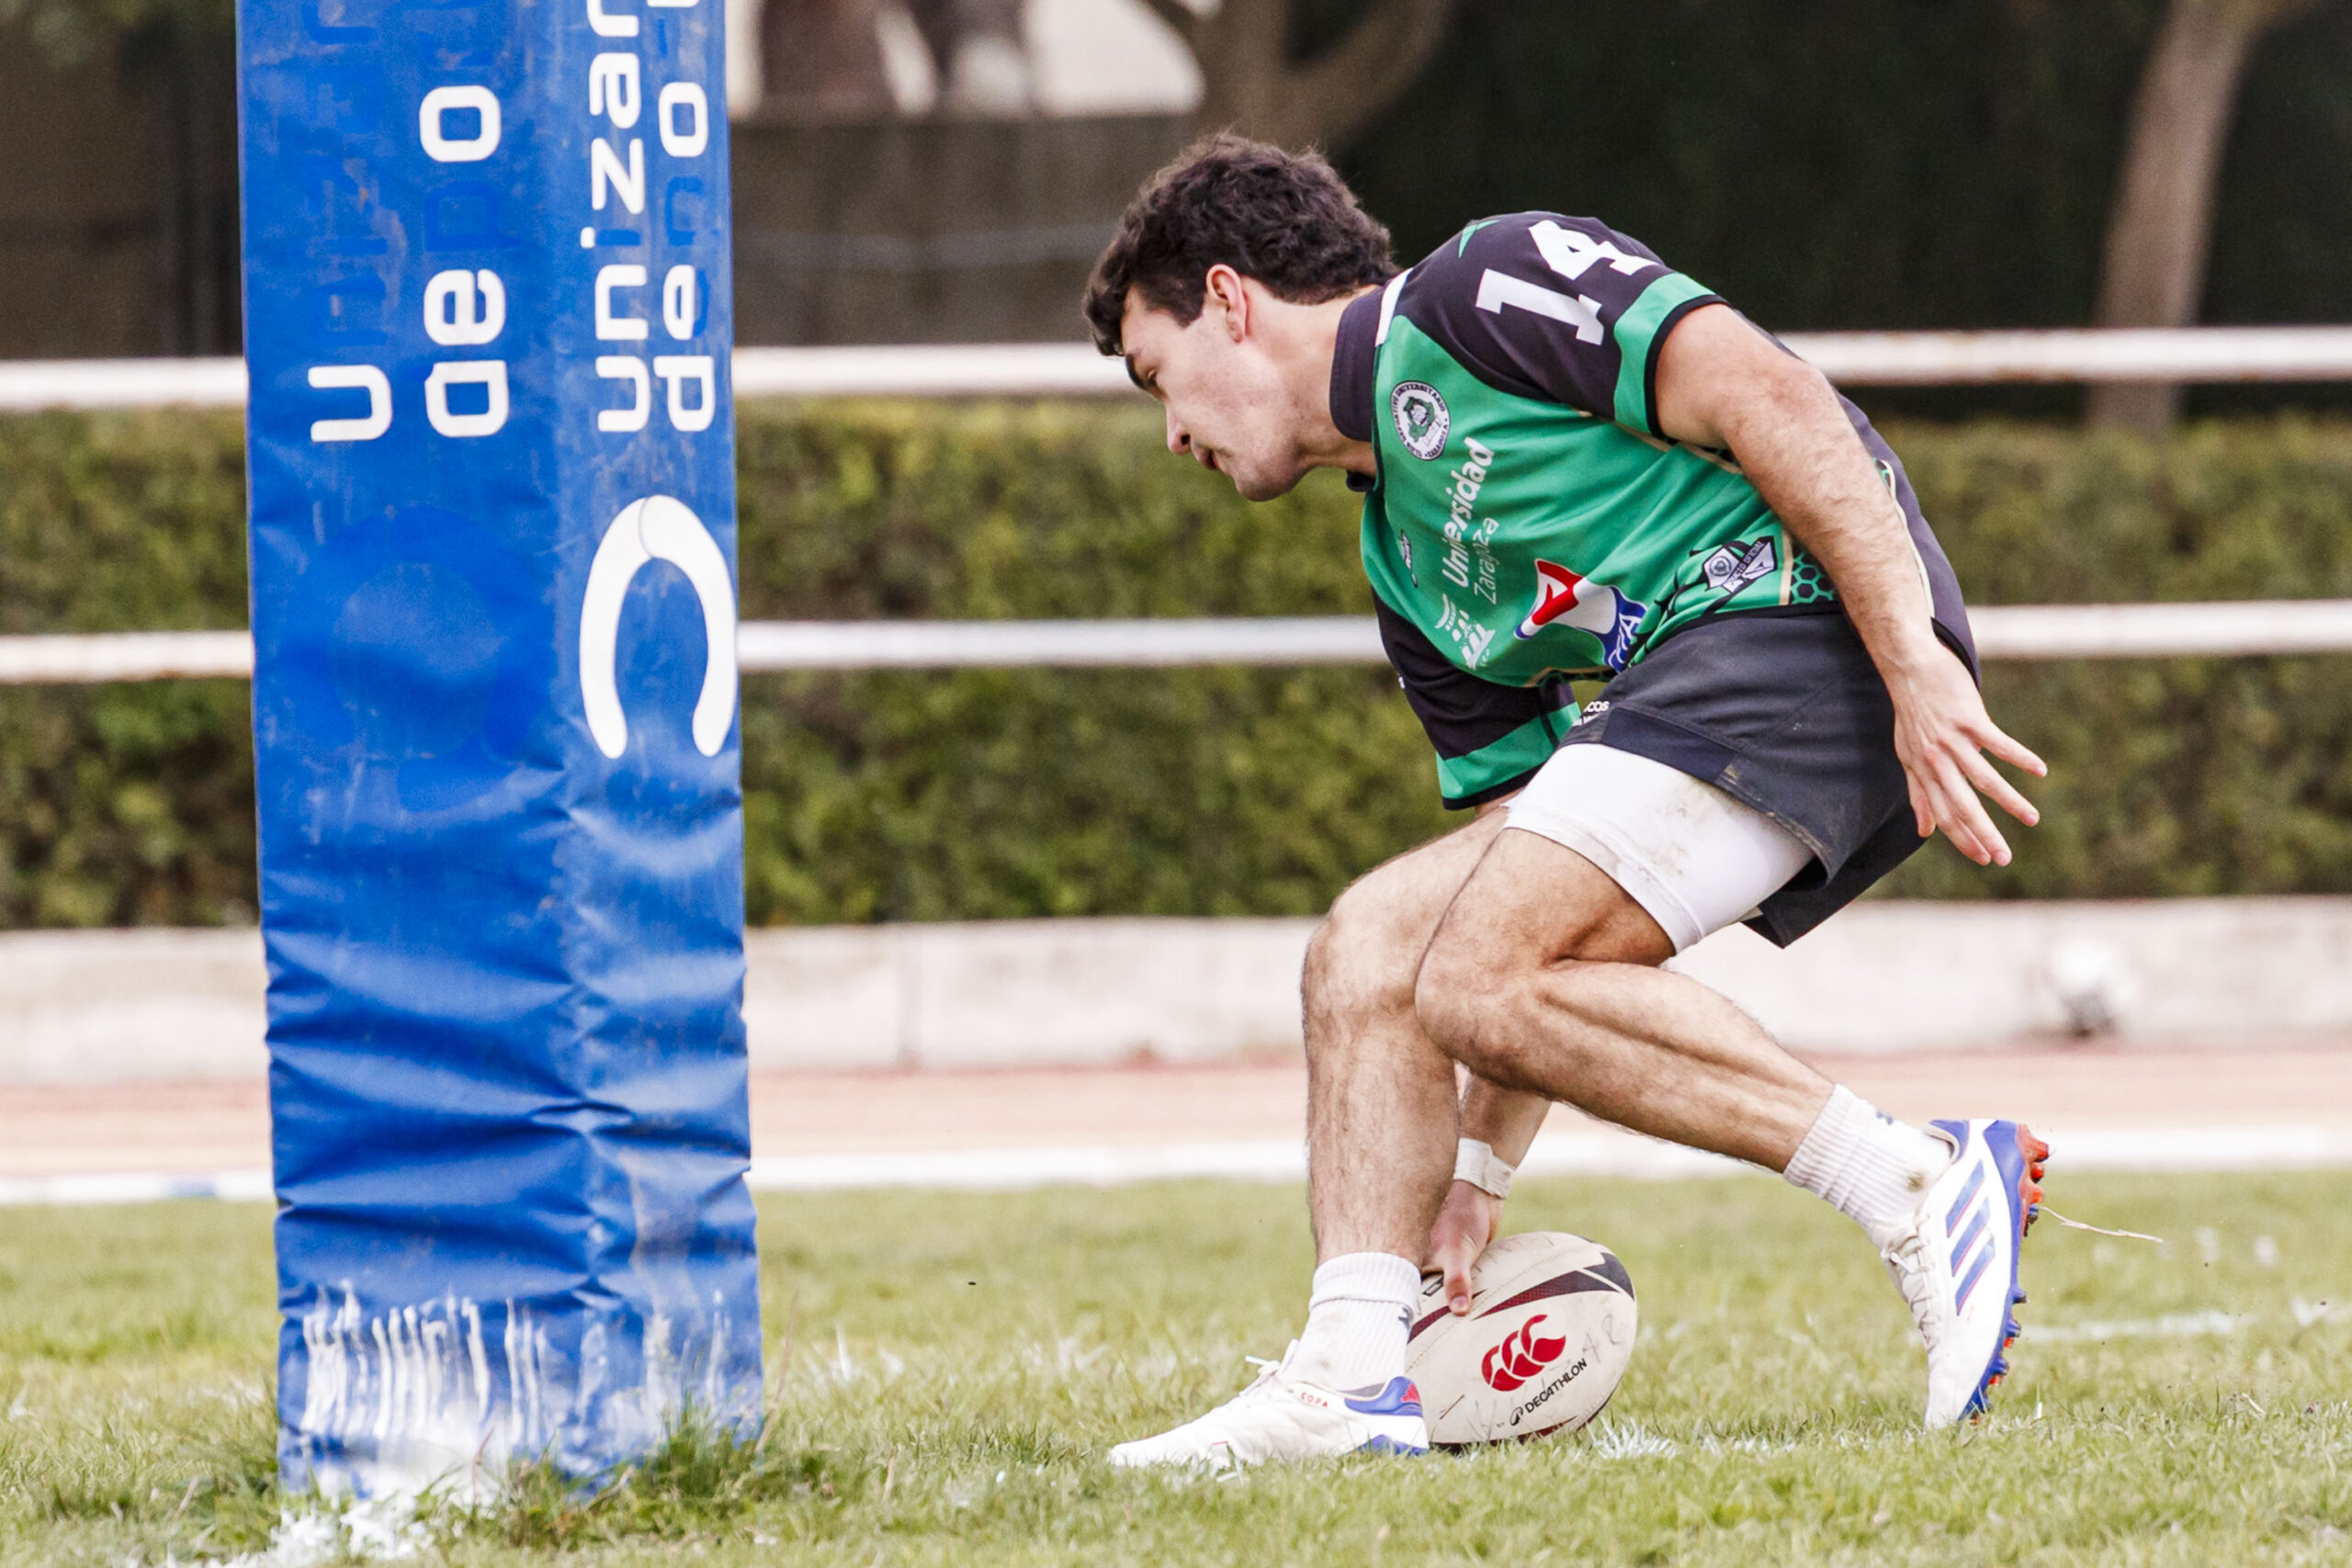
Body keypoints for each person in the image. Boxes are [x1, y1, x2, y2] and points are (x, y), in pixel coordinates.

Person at [1080, 137, 2052, 1469]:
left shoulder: (1487, 284)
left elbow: (1773, 395)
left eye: (1157, 376)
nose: (1172, 429)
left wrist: (1915, 664)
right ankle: (1355, 1374)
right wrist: (1474, 1176)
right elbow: (1513, 872)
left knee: (1467, 969)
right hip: (1687, 698)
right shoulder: (1402, 562)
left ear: (1232, 302)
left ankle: (1915, 1185)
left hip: (1799, 626)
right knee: (1374, 949)